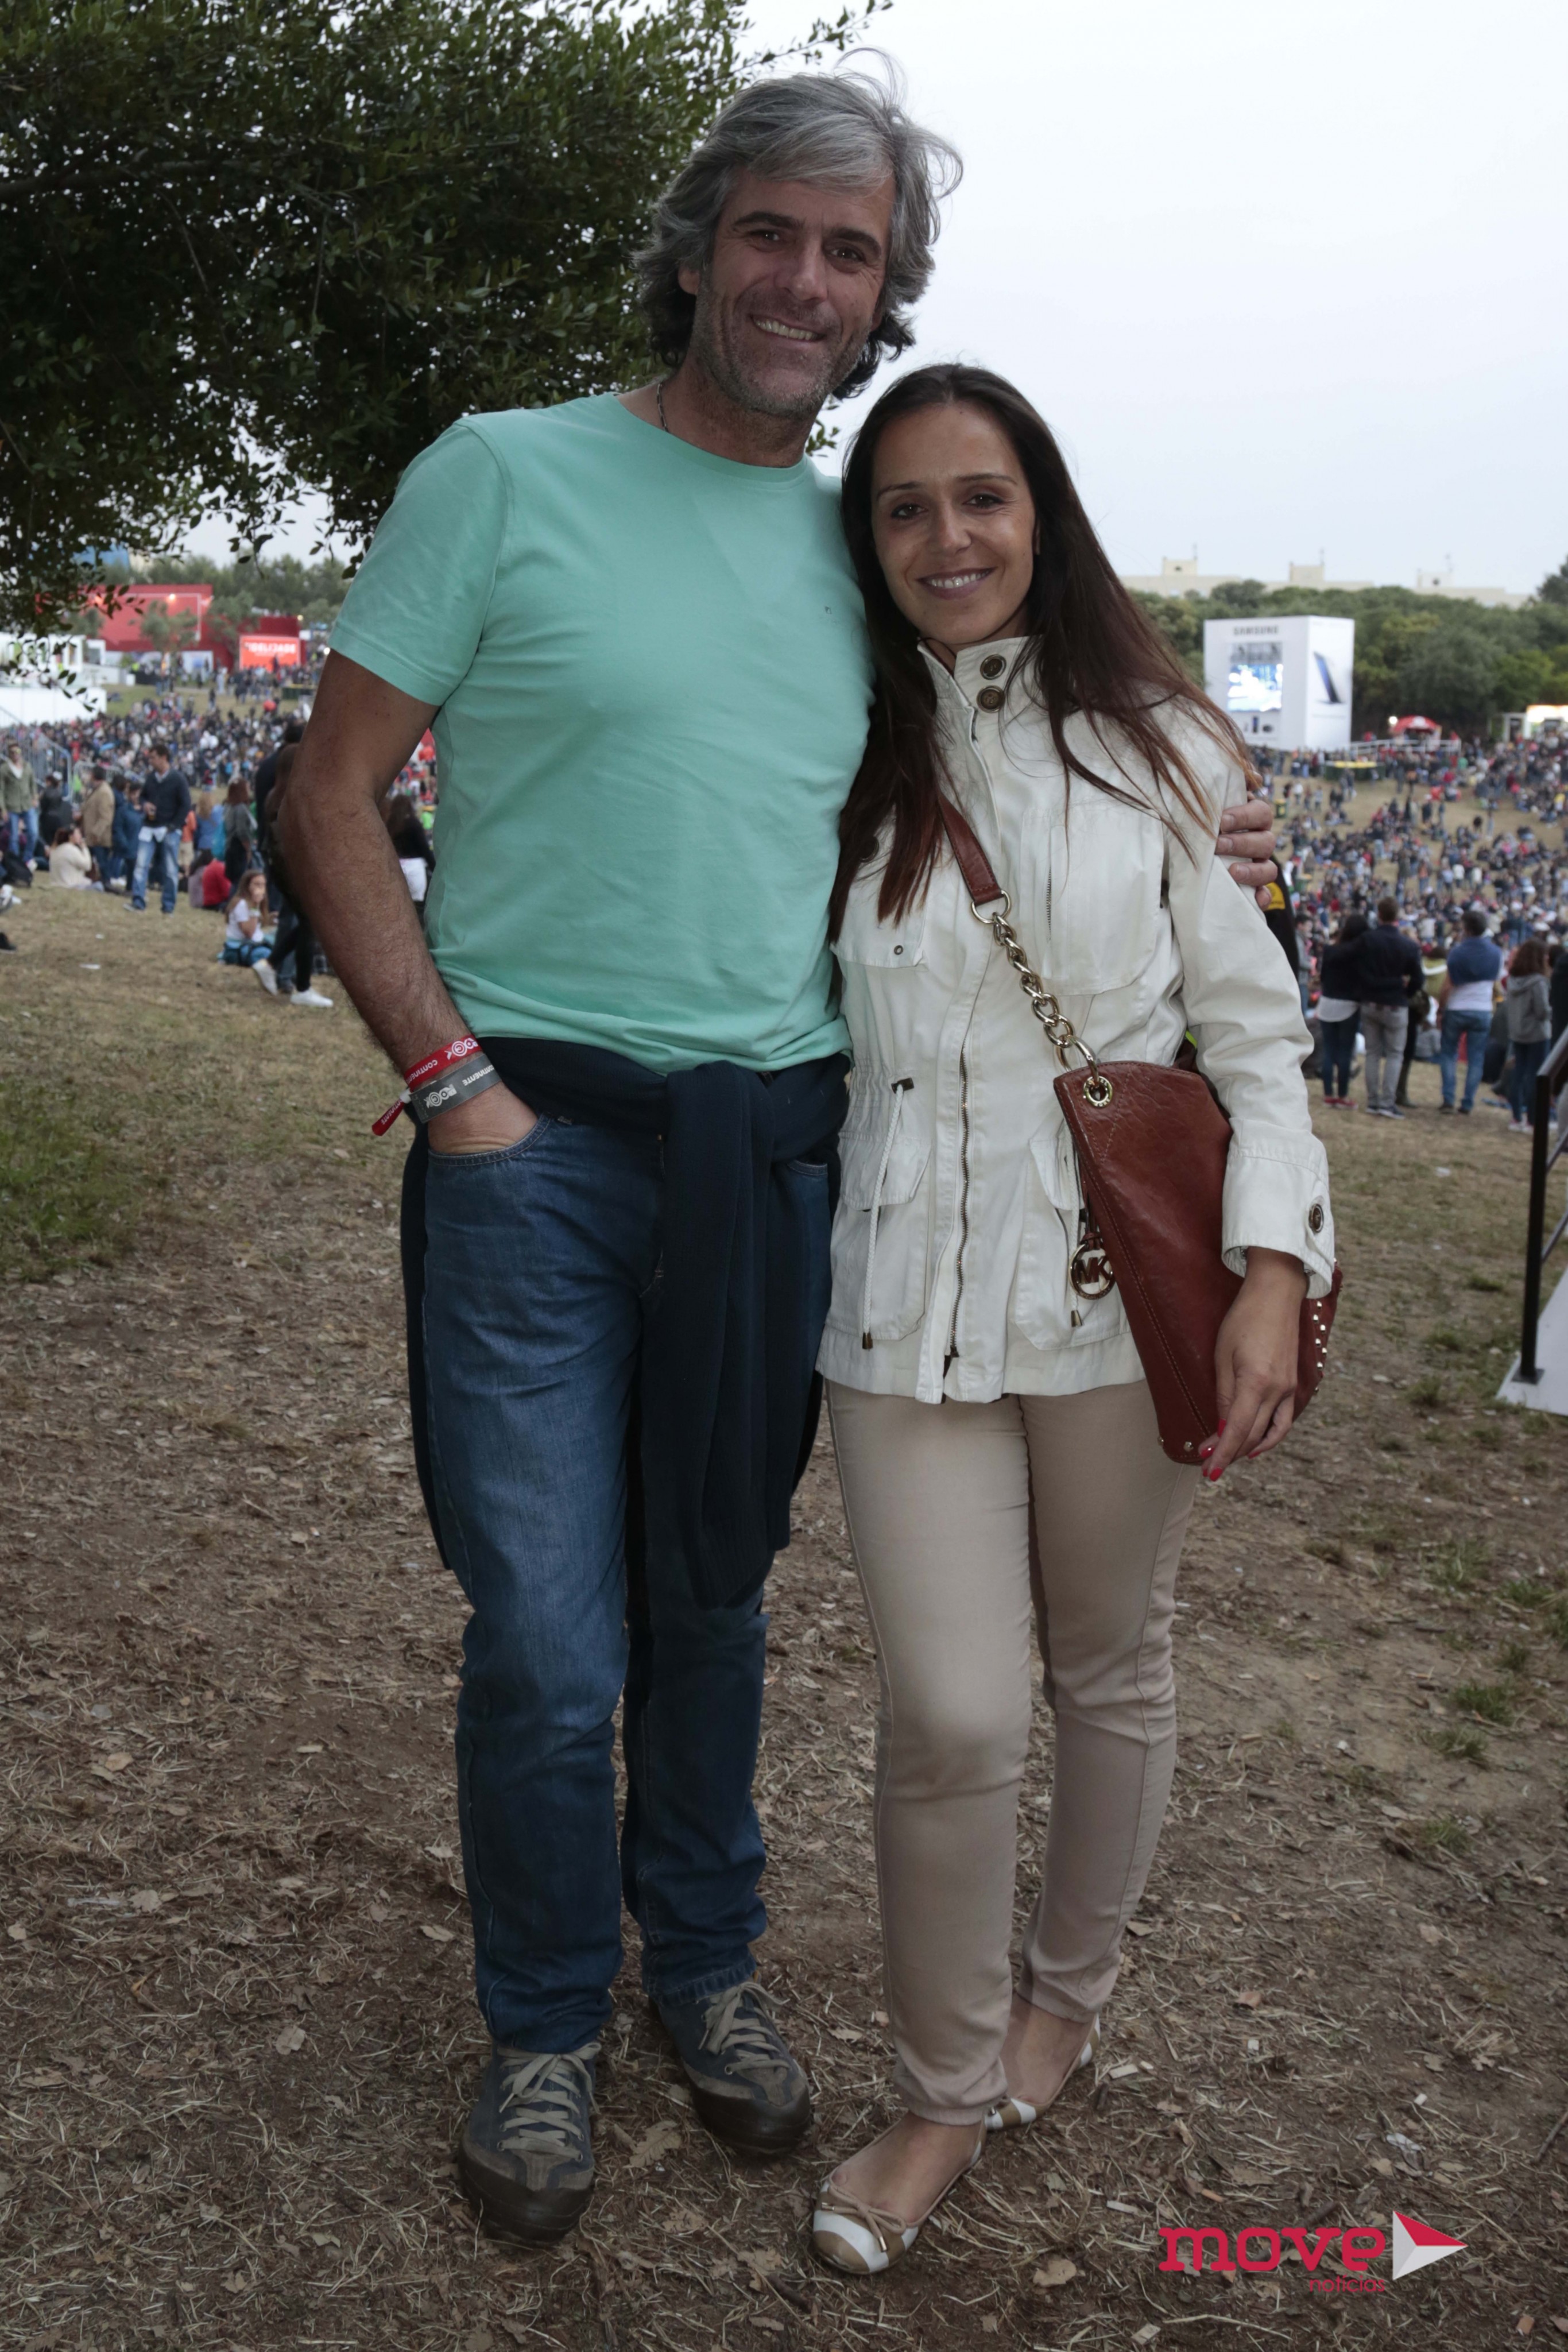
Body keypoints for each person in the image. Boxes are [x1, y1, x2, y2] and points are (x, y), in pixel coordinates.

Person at [276, 69, 1280, 2246]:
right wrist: (451, 1079)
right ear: (696, 246)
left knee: (713, 1598)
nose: (804, 282)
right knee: (549, 1631)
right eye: (770, 234)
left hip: (779, 1153)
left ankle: (705, 1964)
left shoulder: (856, 544)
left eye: (850, 252)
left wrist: (1207, 818)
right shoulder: (504, 473)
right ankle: (546, 2020)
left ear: (883, 290)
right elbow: (328, 785)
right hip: (533, 1143)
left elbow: (1018, 755)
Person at [806, 365, 1333, 2276]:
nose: (947, 537)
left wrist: (1273, 1267)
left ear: (1042, 512)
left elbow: (1255, 1038)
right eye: (904, 507)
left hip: (1113, 1291)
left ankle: (1064, 2004)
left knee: (1109, 1660)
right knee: (951, 1710)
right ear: (866, 543)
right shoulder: (830, 735)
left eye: (982, 496)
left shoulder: (1164, 746)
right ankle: (941, 2090)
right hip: (898, 1298)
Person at [1354, 895, 1422, 1119]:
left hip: (1371, 1002)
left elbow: (1359, 969)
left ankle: (1373, 1101)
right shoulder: (1408, 945)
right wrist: (1404, 991)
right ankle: (1387, 1103)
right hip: (1395, 1004)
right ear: (1397, 916)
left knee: (1373, 1053)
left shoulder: (1368, 940)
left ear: (1380, 914)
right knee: (1394, 1055)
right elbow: (1418, 979)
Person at [1437, 907, 1503, 1115]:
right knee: (1476, 1058)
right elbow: (1495, 983)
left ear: (1466, 929)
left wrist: (1441, 1010)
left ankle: (1449, 1098)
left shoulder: (1458, 952)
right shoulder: (1496, 953)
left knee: (1449, 1054)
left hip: (1457, 1007)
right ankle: (1467, 1102)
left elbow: (1447, 986)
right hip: (1482, 1009)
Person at [129, 742, 192, 914]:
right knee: (141, 865)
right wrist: (145, 804)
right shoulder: (151, 778)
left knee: (171, 870)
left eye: (153, 758)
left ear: (164, 758)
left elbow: (186, 805)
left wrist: (174, 825)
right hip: (150, 827)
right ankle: (138, 900)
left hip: (168, 829)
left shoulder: (178, 779)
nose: (150, 761)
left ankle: (168, 906)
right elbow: (143, 797)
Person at [1315, 911, 1366, 1107]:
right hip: (1349, 1005)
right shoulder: (1359, 954)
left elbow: (1323, 977)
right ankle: (1342, 1095)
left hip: (1327, 1002)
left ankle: (1328, 1094)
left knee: (1329, 1050)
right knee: (1345, 1052)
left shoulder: (1331, 950)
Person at [1505, 938, 1552, 1132]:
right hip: (1537, 1034)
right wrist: (1553, 1012)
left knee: (1519, 1073)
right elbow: (1542, 1011)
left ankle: (1516, 1117)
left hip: (1518, 1032)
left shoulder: (1512, 980)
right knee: (1536, 1076)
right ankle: (1533, 1120)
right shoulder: (1538, 982)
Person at [222, 870, 274, 965]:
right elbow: (249, 933)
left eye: (263, 885)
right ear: (247, 886)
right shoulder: (242, 904)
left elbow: (259, 925)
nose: (261, 888)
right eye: (257, 884)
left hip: (256, 942)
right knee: (272, 955)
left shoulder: (255, 903)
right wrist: (255, 906)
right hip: (241, 947)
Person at [80, 764, 117, 887]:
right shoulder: (97, 790)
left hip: (99, 837)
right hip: (92, 835)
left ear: (94, 776)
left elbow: (106, 818)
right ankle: (98, 881)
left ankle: (106, 883)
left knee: (102, 862)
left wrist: (96, 833)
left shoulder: (104, 793)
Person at [222, 780, 256, 893]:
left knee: (235, 880)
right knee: (240, 881)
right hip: (239, 848)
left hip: (230, 846)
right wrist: (248, 849)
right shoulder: (241, 808)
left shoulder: (228, 806)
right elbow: (242, 831)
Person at [47, 823, 97, 889]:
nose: (80, 836)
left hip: (57, 884)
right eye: (78, 834)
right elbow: (87, 866)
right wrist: (84, 848)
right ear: (71, 837)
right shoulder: (71, 849)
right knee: (99, 886)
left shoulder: (55, 850)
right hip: (71, 885)